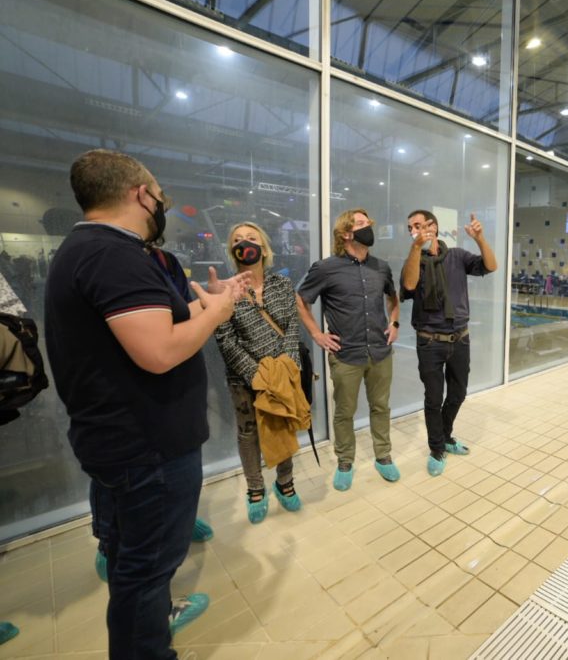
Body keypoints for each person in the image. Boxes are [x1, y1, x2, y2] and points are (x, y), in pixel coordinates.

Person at [45, 149, 248, 658]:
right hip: (147, 448)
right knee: (147, 566)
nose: (162, 206)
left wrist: (203, 302)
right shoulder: (115, 256)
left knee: (127, 554)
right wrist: (218, 313)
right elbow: (158, 351)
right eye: (160, 197)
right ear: (141, 194)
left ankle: (152, 617)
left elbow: (145, 327)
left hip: (120, 439)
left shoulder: (86, 250)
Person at [94, 242, 214, 582]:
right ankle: (107, 541)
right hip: (128, 395)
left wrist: (209, 302)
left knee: (177, 477)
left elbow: (178, 314)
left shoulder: (167, 261)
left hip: (177, 391)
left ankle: (181, 521)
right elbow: (155, 344)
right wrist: (214, 313)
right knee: (115, 481)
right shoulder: (107, 257)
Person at [296, 209, 400, 491]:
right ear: (345, 233)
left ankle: (383, 455)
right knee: (345, 411)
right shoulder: (326, 268)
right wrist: (317, 334)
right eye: (361, 224)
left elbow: (393, 298)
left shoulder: (381, 267)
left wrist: (395, 322)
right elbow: (301, 300)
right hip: (346, 354)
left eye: (369, 223)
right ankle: (345, 460)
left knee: (381, 406)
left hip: (380, 351)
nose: (369, 228)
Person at [215, 222, 303, 523]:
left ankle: (285, 482)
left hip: (283, 371)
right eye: (237, 240)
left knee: (283, 424)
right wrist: (255, 374)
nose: (244, 243)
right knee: (248, 432)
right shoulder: (225, 291)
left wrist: (288, 363)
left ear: (263, 248)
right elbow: (225, 338)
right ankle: (255, 487)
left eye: (251, 238)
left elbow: (292, 324)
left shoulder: (282, 284)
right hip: (245, 378)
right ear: (232, 251)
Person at [401, 210, 497, 476]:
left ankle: (445, 436)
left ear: (434, 226)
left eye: (419, 225)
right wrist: (415, 248)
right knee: (433, 398)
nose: (415, 229)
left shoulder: (456, 256)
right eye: (410, 227)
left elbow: (490, 266)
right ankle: (436, 448)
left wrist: (479, 239)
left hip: (460, 338)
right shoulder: (413, 259)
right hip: (429, 341)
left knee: (458, 394)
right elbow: (408, 285)